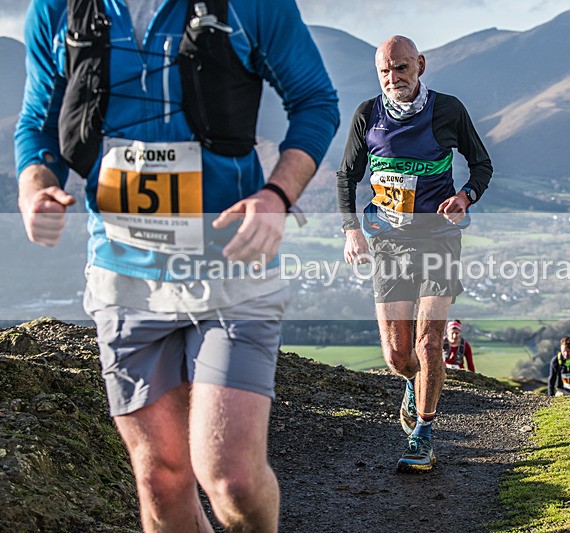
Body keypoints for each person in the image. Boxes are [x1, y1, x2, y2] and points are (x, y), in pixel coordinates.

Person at [16, 1, 338, 531]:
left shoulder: (253, 7)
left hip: (231, 271)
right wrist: (36, 187)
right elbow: (37, 122)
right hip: (125, 278)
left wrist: (277, 195)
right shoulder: (57, 10)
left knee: (230, 478)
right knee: (161, 477)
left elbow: (316, 101)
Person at [336, 35, 492, 473]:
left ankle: (423, 433)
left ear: (420, 65)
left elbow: (482, 164)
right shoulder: (368, 115)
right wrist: (352, 231)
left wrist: (466, 196)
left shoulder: (448, 110)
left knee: (428, 342)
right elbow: (346, 175)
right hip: (388, 241)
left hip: (439, 238)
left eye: (401, 68)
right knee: (398, 356)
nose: (393, 78)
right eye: (385, 71)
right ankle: (411, 384)